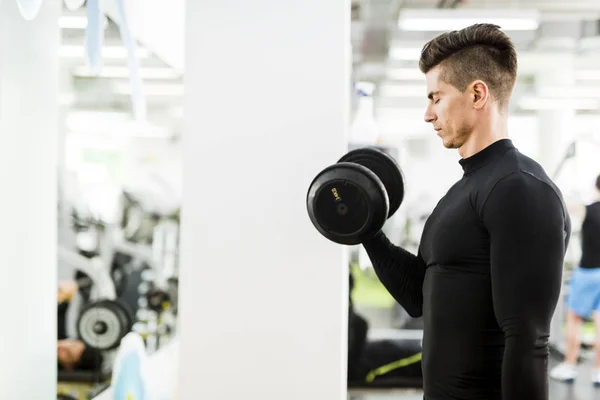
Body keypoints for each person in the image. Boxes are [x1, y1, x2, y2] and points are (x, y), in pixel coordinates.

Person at [361, 23, 571, 399]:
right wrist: (367, 230)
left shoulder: (519, 188)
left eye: (436, 97)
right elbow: (419, 298)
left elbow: (528, 339)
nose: (428, 114)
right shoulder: (465, 189)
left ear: (477, 93)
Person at [550, 174, 600, 384]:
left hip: (587, 271)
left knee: (574, 319)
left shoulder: (587, 209)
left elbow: (561, 207)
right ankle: (598, 371)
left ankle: (570, 365)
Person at [57, 280, 103, 372]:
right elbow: (60, 314)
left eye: (68, 354)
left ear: (68, 367)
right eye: (72, 343)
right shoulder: (59, 339)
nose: (63, 345)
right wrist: (67, 297)